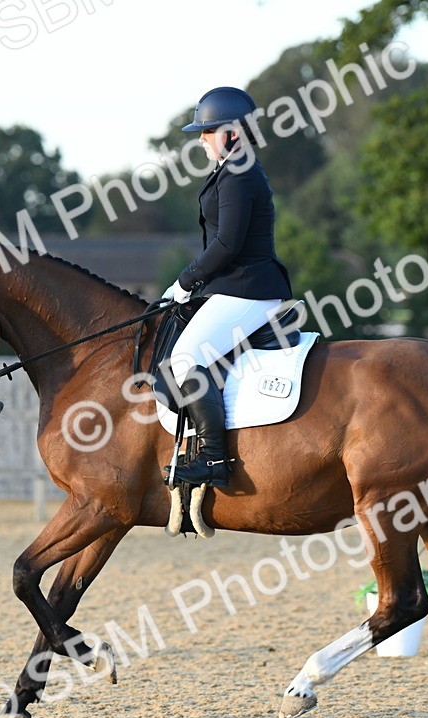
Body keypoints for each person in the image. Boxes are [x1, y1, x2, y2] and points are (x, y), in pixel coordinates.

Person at [162, 86, 293, 487]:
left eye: (208, 131)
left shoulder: (239, 172)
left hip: (249, 288)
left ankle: (215, 460)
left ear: (233, 132)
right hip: (234, 286)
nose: (201, 139)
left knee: (184, 358)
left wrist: (185, 282)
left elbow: (227, 244)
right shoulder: (233, 168)